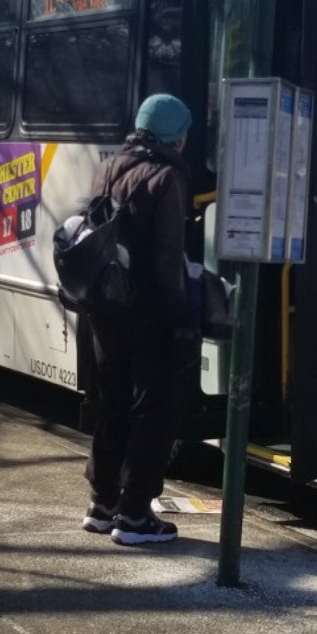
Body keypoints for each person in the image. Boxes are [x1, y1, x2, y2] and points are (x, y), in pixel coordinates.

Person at [80, 93, 196, 545]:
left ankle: (102, 503)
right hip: (146, 311)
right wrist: (182, 319)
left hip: (105, 308)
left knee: (112, 401)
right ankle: (134, 515)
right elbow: (168, 262)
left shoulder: (109, 167)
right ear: (175, 135)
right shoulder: (165, 177)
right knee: (153, 409)